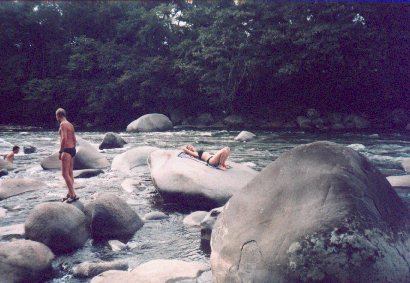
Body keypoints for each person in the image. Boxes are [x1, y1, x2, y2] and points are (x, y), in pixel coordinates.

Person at [56, 108, 78, 203]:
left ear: (58, 115)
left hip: (66, 150)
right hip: (72, 149)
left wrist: (61, 152)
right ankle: (70, 193)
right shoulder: (70, 125)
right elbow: (74, 139)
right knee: (70, 173)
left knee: (64, 174)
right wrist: (72, 150)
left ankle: (72, 194)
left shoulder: (63, 124)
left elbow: (64, 139)